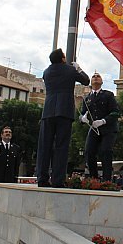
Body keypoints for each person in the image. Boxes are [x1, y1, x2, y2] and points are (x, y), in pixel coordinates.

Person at [37, 48, 89, 188]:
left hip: (48, 111)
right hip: (64, 111)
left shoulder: (46, 72)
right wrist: (78, 69)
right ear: (62, 58)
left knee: (44, 146)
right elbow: (86, 80)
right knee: (61, 147)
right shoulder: (70, 70)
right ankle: (57, 180)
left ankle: (42, 178)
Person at [80, 72, 118, 182]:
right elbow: (82, 113)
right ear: (91, 82)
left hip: (108, 129)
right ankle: (94, 178)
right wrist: (82, 118)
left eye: (98, 76)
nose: (96, 77)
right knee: (89, 151)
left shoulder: (108, 95)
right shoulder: (87, 98)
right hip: (94, 129)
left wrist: (103, 121)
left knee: (106, 151)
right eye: (94, 76)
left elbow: (115, 112)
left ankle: (107, 180)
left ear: (102, 82)